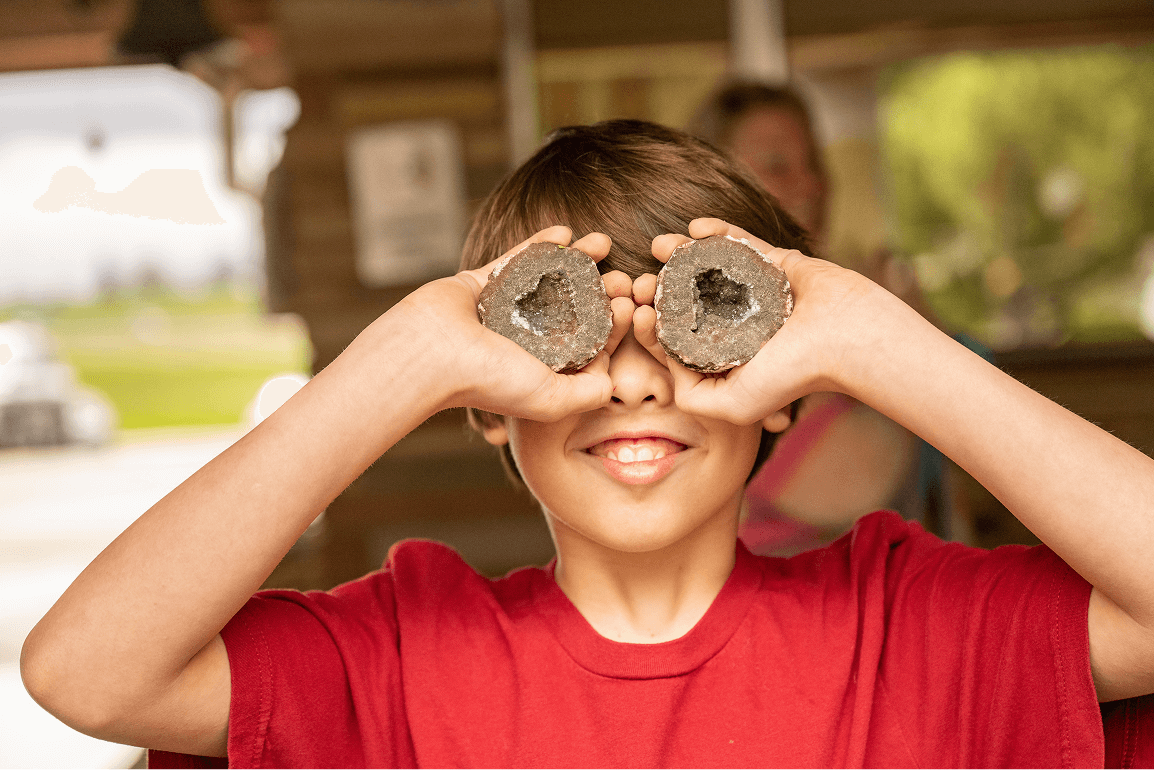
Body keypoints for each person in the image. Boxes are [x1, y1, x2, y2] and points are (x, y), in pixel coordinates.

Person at [20, 120, 1152, 768]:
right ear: (485, 399)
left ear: (782, 385)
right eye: (571, 337)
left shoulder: (917, 627)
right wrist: (404, 355)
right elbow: (84, 672)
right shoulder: (401, 654)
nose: (628, 377)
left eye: (691, 329)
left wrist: (880, 343)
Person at [690, 82, 952, 553]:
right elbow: (855, 481)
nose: (810, 185)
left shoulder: (815, 300)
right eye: (777, 165)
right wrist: (904, 337)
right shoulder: (710, 324)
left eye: (813, 163)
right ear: (714, 187)